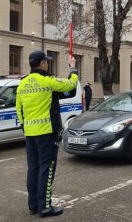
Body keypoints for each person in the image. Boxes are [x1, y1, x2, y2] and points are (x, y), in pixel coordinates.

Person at [16, 51, 78, 217]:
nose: (48, 64)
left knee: (33, 169)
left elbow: (19, 109)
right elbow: (71, 85)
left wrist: (25, 127)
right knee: (47, 169)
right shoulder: (48, 81)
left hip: (30, 133)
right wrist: (73, 68)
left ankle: (33, 205)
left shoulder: (22, 83)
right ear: (42, 63)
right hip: (47, 133)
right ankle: (45, 207)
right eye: (47, 62)